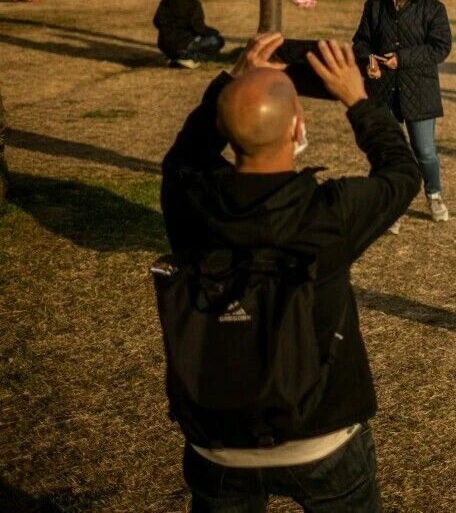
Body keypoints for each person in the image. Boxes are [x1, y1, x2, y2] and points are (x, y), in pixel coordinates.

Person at [159, 33, 421, 512]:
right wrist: (358, 100)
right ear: (297, 127)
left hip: (216, 439)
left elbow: (184, 157)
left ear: (221, 122)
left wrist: (233, 81)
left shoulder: (189, 200)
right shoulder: (329, 213)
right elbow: (402, 174)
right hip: (321, 432)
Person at [353, 0, 453, 230]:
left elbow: (440, 47)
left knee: (424, 151)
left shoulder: (432, 8)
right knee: (389, 152)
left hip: (418, 90)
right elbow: (361, 41)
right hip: (383, 90)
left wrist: (404, 59)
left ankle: (433, 194)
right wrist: (367, 60)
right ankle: (392, 206)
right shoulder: (374, 5)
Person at [153, 0, 225, 69]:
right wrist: (214, 32)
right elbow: (198, 27)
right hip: (183, 44)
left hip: (164, 45)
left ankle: (173, 57)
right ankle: (190, 58)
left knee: (182, 42)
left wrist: (168, 31)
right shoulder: (192, 2)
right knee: (217, 40)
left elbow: (156, 21)